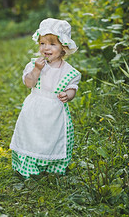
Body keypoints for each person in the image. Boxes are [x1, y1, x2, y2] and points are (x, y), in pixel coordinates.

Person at [10, 18, 81, 178]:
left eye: (52, 44)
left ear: (63, 48)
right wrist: (36, 69)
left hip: (54, 112)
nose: (46, 48)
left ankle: (52, 167)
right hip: (34, 110)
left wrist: (67, 95)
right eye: (42, 43)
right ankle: (29, 167)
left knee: (53, 138)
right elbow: (29, 83)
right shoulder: (34, 65)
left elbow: (72, 89)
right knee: (31, 136)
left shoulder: (69, 72)